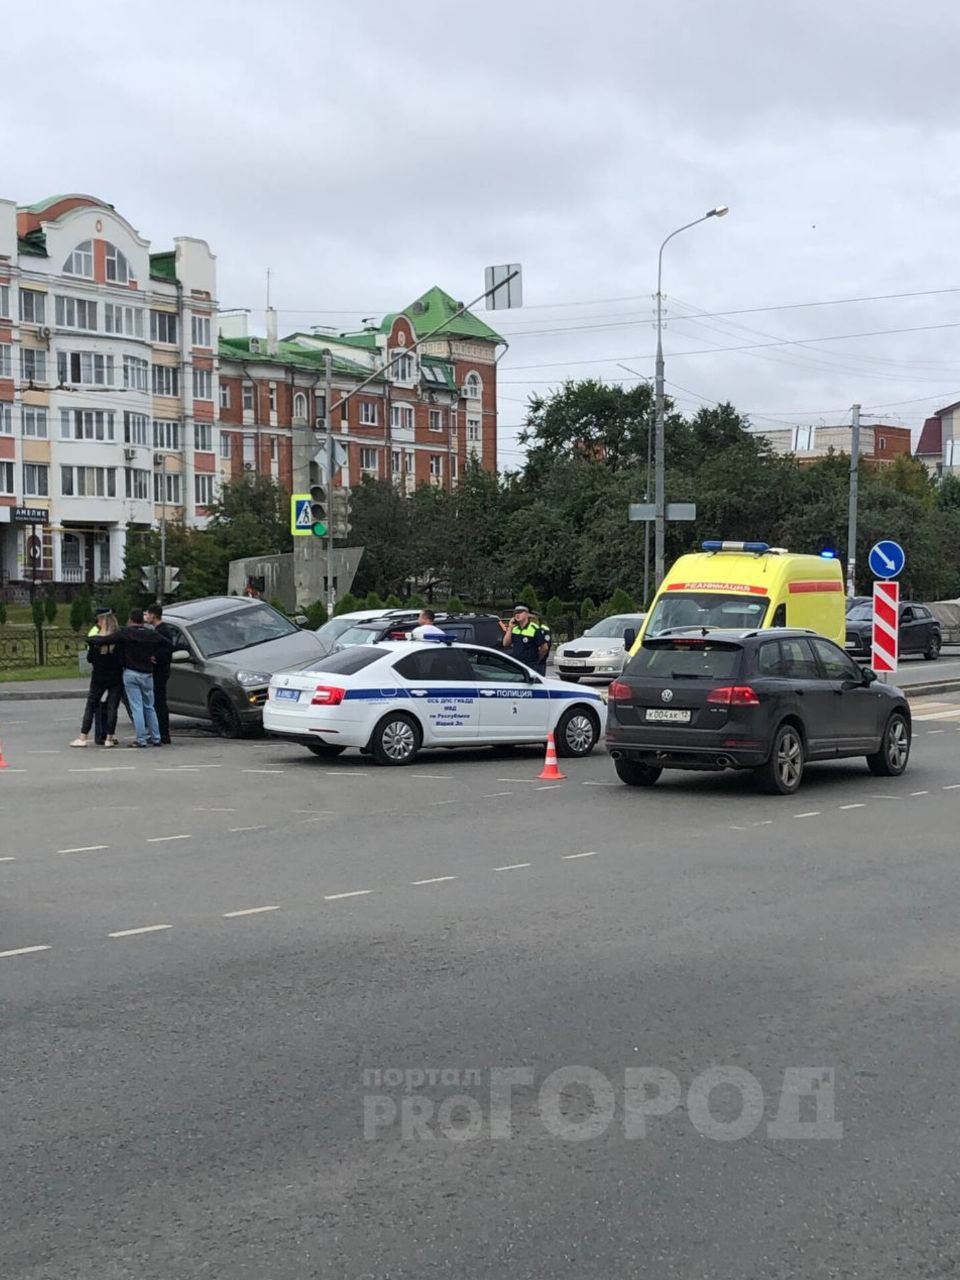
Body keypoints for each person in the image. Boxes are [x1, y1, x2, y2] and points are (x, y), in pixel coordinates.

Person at [89, 608, 172, 748]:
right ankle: (157, 737)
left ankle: (141, 739)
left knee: (137, 707)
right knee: (150, 706)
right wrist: (155, 655)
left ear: (131, 620)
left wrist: (91, 640)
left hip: (131, 673)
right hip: (147, 673)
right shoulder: (150, 633)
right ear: (142, 620)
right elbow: (168, 644)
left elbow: (106, 639)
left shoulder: (126, 633)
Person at [71, 608, 123, 748]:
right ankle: (109, 738)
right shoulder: (118, 639)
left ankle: (82, 737)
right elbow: (122, 659)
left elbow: (89, 659)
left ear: (103, 621)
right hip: (115, 676)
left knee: (91, 705)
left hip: (99, 676)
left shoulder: (95, 641)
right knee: (113, 707)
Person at [145, 602, 176, 745]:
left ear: (153, 615)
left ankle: (163, 734)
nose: (146, 617)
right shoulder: (163, 629)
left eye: (148, 614)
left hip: (160, 672)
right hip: (162, 671)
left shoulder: (162, 631)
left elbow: (166, 651)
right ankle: (160, 733)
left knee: (159, 703)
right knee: (158, 702)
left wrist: (154, 657)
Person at [502, 604, 549, 671]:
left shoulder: (535, 629)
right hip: (516, 665)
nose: (517, 614)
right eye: (515, 613)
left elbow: (544, 648)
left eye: (520, 612)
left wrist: (536, 659)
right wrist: (510, 628)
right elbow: (505, 644)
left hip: (530, 666)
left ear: (527, 614)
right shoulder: (514, 629)